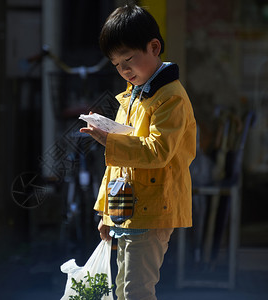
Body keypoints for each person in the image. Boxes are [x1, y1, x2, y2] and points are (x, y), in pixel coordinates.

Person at [80, 4, 197, 300]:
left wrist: (109, 141)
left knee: (135, 292)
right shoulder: (134, 95)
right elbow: (117, 166)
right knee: (123, 291)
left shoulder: (171, 98)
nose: (124, 70)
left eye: (129, 60)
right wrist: (106, 213)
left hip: (154, 211)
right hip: (128, 210)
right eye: (117, 64)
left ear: (154, 47)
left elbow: (157, 151)